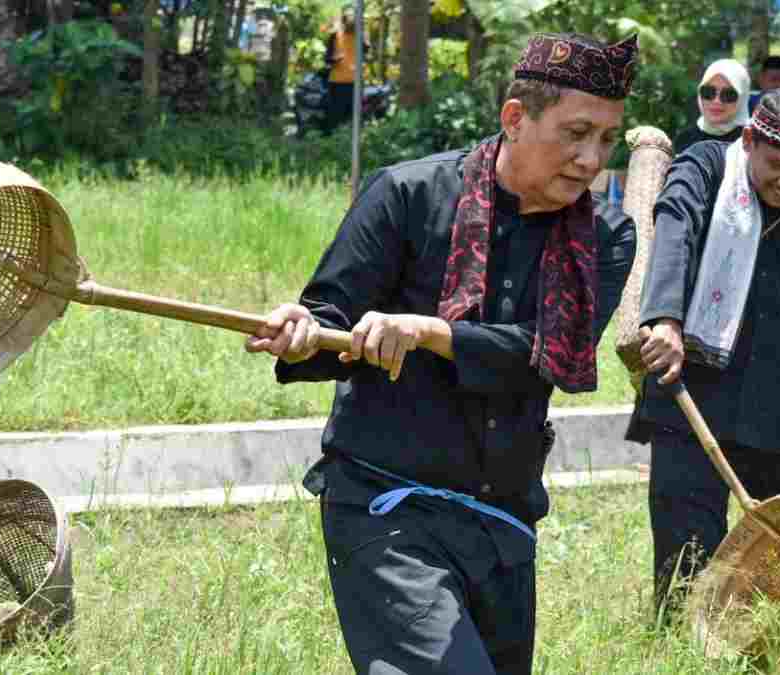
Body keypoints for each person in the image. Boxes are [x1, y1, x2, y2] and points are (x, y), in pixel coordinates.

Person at [245, 33, 639, 674]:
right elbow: (329, 320)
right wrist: (303, 329)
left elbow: (550, 355)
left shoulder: (605, 237)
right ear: (516, 117)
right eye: (576, 133)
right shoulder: (408, 195)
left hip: (502, 520)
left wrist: (430, 331)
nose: (591, 158)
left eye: (606, 140)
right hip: (386, 506)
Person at [629, 88, 780, 613]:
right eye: (777, 164)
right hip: (691, 400)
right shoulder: (706, 168)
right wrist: (664, 318)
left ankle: (778, 643)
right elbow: (675, 229)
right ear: (750, 139)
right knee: (686, 559)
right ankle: (683, 656)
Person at [673, 59, 751, 153]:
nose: (716, 101)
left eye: (728, 94)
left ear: (742, 98)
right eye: (709, 92)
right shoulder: (684, 140)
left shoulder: (752, 142)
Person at [321, 5, 369, 132]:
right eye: (348, 19)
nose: (351, 22)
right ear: (344, 20)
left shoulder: (361, 37)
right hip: (337, 83)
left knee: (355, 117)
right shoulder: (335, 36)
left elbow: (366, 52)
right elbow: (326, 58)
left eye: (354, 19)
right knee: (336, 117)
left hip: (356, 82)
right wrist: (334, 59)